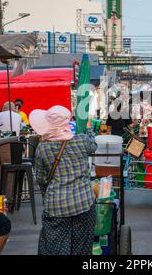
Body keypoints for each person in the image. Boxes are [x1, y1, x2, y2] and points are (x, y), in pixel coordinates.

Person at [30, 105, 97, 255]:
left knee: (55, 250)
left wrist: (47, 197)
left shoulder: (43, 148)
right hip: (83, 203)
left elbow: (41, 179)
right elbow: (93, 145)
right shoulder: (82, 141)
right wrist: (88, 129)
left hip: (56, 207)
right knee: (81, 249)